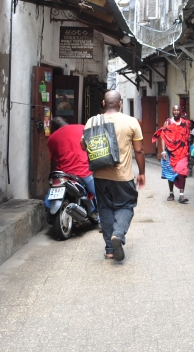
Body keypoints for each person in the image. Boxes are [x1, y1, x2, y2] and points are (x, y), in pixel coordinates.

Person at [81, 90, 145, 262]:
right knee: (126, 206)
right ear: (120, 104)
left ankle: (110, 250)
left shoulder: (92, 121)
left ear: (103, 103)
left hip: (100, 174)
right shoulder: (131, 122)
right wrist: (142, 173)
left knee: (105, 209)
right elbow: (139, 150)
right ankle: (118, 234)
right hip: (123, 176)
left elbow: (84, 145)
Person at [47, 117, 97, 220]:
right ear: (66, 121)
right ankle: (99, 216)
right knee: (99, 193)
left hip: (63, 173)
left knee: (51, 192)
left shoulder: (52, 138)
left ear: (54, 128)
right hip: (83, 171)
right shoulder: (82, 128)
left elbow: (53, 159)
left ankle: (47, 208)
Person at [153, 105, 191, 203]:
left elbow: (187, 138)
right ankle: (171, 193)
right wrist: (163, 151)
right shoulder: (168, 122)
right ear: (172, 111)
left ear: (181, 111)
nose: (176, 111)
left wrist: (189, 152)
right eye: (174, 110)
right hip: (170, 152)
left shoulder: (185, 123)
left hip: (182, 152)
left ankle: (181, 195)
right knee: (171, 172)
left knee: (182, 171)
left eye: (178, 110)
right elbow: (163, 136)